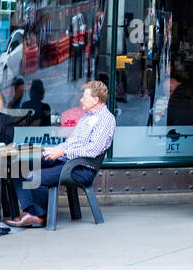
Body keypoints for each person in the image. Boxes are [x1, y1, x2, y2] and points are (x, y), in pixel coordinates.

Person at [6, 79, 116, 229]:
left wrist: (63, 151)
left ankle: (39, 215)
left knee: (34, 177)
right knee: (17, 166)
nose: (81, 100)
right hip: (65, 160)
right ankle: (31, 212)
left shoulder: (105, 119)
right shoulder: (86, 117)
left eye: (84, 97)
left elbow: (93, 150)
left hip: (80, 168)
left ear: (96, 100)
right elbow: (70, 142)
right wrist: (51, 150)